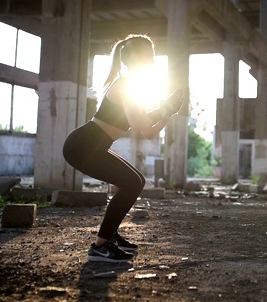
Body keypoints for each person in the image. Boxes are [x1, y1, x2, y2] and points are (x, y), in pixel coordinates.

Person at [62, 34, 184, 263]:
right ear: (140, 58)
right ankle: (100, 246)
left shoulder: (130, 84)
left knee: (133, 179)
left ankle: (111, 236)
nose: (154, 61)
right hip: (82, 146)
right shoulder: (127, 84)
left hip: (92, 146)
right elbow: (143, 128)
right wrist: (166, 111)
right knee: (133, 182)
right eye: (151, 56)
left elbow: (142, 123)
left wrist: (167, 110)